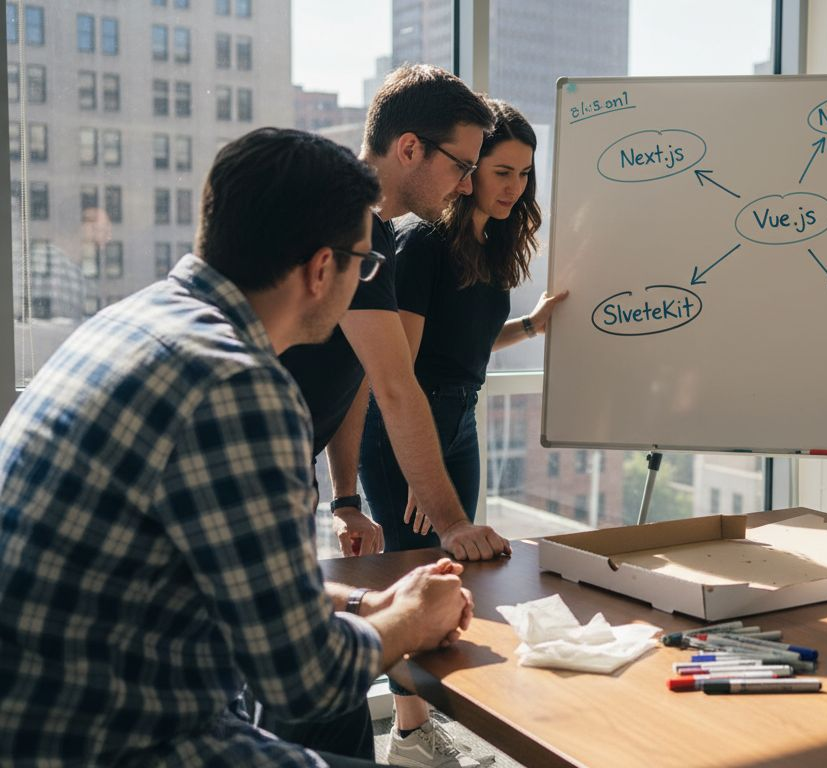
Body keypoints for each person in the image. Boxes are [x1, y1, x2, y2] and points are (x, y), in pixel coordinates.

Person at [0, 128, 474, 768]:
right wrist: (415, 618)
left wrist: (367, 601)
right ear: (319, 269)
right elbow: (306, 680)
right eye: (365, 264)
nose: (366, 278)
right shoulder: (238, 383)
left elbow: (237, 580)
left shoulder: (130, 322)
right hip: (118, 742)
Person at [358, 99, 567, 765]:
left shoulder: (491, 246)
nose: (515, 187)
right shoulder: (422, 244)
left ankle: (414, 731)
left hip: (459, 416)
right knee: (415, 573)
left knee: (454, 571)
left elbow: (466, 346)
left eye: (525, 175)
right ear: (470, 171)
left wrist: (531, 328)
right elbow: (407, 366)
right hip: (411, 424)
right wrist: (425, 475)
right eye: (501, 170)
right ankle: (414, 733)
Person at [279, 64, 510, 565]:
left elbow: (353, 374)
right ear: (409, 148)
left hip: (288, 471)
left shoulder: (371, 228)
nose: (468, 187)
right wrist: (452, 526)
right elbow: (395, 386)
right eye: (462, 167)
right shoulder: (347, 219)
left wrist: (344, 500)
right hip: (251, 467)